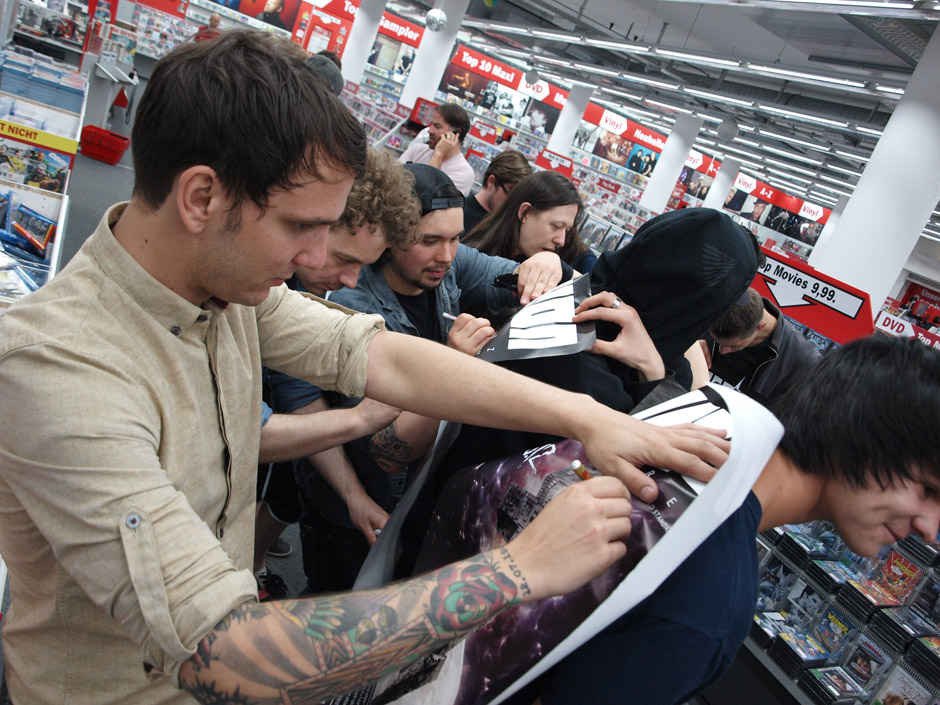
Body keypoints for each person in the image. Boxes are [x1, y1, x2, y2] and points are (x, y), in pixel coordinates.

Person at [0, 32, 730, 705]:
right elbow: (222, 650)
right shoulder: (58, 371)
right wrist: (515, 570)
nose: (320, 262)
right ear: (201, 198)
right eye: (300, 227)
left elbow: (381, 355)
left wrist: (588, 418)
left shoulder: (220, 290)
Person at [521, 335, 940, 705]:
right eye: (928, 489)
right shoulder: (709, 603)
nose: (930, 528)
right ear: (863, 432)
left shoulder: (695, 422)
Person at [293, 163, 572, 592]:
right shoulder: (351, 300)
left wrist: (549, 261)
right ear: (390, 239)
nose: (447, 254)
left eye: (456, 238)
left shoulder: (448, 262)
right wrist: (453, 367)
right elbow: (390, 451)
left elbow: (516, 276)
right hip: (357, 506)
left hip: (409, 502)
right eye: (429, 241)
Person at [706, 287, 822, 405]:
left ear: (760, 326)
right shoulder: (712, 309)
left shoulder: (802, 361)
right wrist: (691, 343)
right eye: (717, 342)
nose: (723, 350)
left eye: (733, 346)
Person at [463, 170, 583, 267]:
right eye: (556, 226)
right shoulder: (471, 259)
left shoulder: (542, 269)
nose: (561, 241)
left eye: (567, 231)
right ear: (525, 212)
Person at [398, 103, 476, 196]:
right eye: (431, 125)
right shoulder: (417, 150)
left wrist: (438, 154)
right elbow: (393, 182)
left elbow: (426, 197)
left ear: (456, 133)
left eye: (437, 126)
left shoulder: (463, 173)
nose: (429, 131)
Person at [463, 149, 532, 235]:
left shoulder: (506, 227)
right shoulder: (458, 212)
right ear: (491, 182)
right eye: (509, 193)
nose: (512, 203)